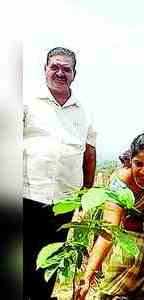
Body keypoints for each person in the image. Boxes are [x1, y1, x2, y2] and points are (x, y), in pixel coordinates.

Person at [64, 133, 144, 300]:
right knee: (114, 291)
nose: (143, 171)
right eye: (138, 164)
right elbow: (109, 231)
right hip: (130, 236)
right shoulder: (120, 183)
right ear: (131, 161)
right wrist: (87, 275)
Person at [23, 47, 97, 300]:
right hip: (26, 194)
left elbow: (89, 153)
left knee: (51, 259)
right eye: (54, 66)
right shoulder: (28, 103)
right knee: (23, 258)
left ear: (74, 74)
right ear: (45, 70)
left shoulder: (84, 112)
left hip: (64, 201)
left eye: (66, 68)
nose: (60, 72)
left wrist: (86, 195)